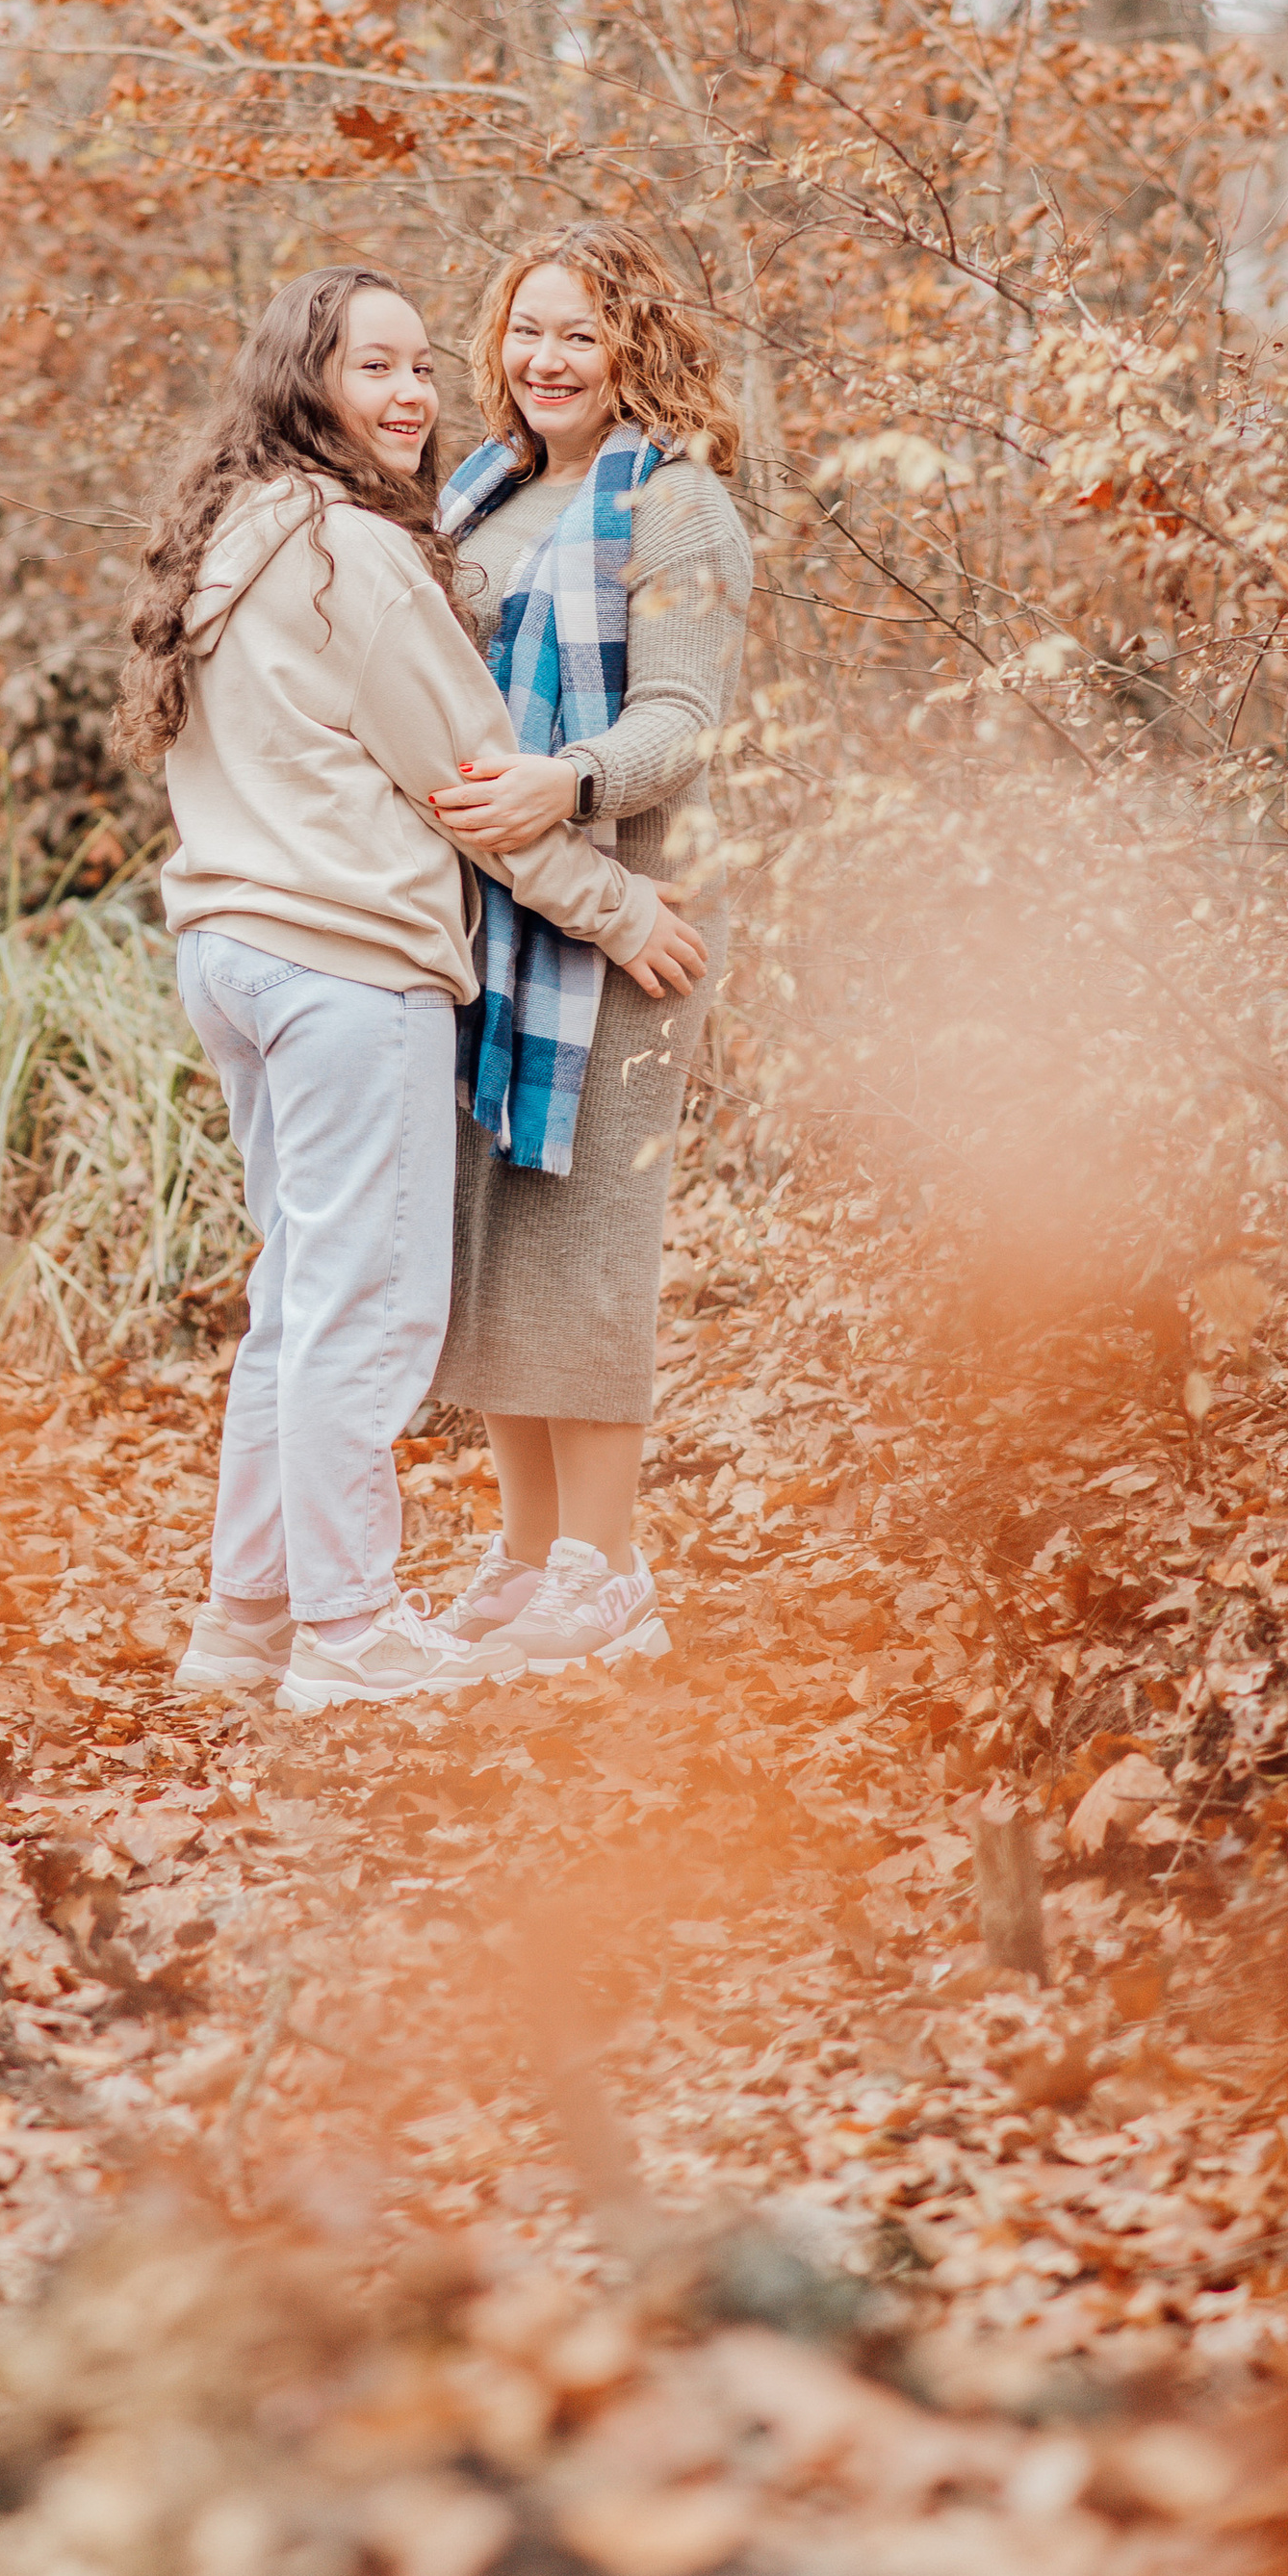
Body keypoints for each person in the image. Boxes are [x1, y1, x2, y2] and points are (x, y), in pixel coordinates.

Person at [112, 264, 708, 1714]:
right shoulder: (354, 557)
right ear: (302, 383)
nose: (411, 394)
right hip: (342, 961)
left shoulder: (232, 535)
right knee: (364, 1309)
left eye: (423, 365)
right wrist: (622, 907)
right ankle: (352, 1628)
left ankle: (246, 1624)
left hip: (233, 952)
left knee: (295, 1297)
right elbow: (475, 785)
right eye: (373, 367)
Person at [425, 223, 753, 1679]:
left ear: (633, 345)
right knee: (491, 1222)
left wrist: (571, 782)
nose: (544, 361)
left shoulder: (677, 509)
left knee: (584, 1232)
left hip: (634, 916)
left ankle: (608, 1571)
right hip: (488, 901)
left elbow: (686, 721)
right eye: (525, 331)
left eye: (578, 335)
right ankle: (523, 1550)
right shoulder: (475, 493)